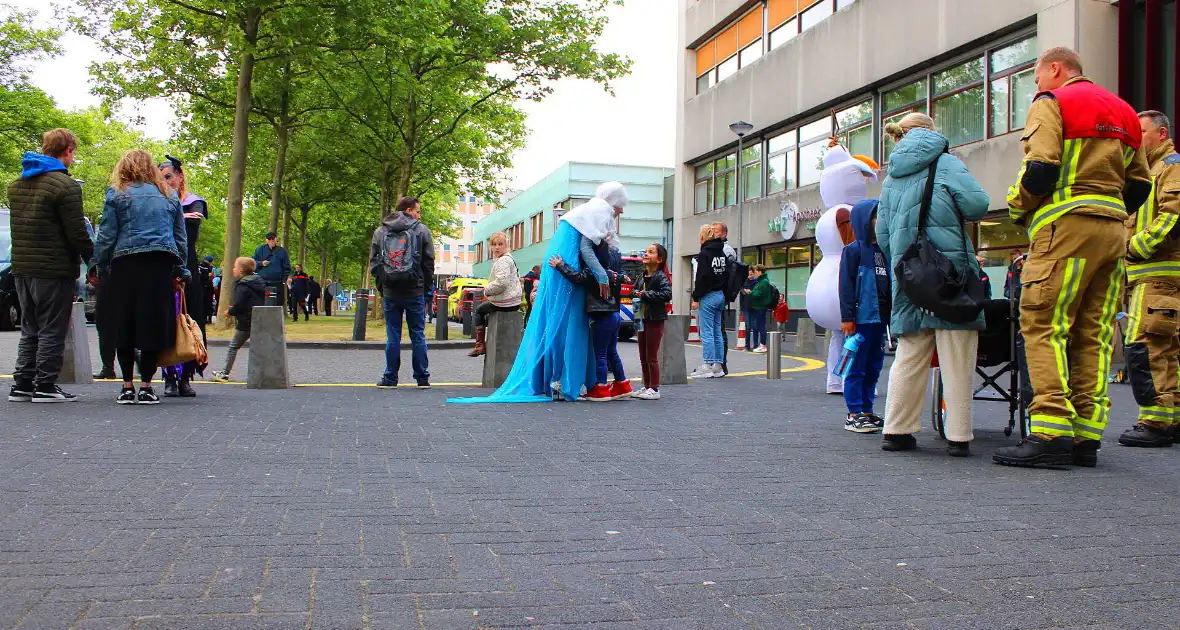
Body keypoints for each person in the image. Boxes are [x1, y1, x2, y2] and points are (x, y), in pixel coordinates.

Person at [994, 47, 1152, 468]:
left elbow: (1041, 168)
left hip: (1064, 229)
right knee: (1092, 331)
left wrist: (1018, 203)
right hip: (1113, 231)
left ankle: (1050, 432)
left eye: (1037, 76)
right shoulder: (1125, 113)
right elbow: (1140, 186)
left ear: (1056, 69)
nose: (1036, 86)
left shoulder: (1053, 103)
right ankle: (1085, 435)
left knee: (1044, 325)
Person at [448, 182, 629, 404]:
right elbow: (585, 247)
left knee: (557, 320)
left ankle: (557, 380)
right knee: (569, 323)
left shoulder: (587, 211)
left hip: (563, 260)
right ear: (614, 201)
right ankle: (567, 381)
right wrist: (601, 275)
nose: (620, 212)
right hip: (568, 261)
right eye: (619, 207)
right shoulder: (601, 209)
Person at [876, 112, 990, 457]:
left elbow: (882, 235)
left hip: (910, 277)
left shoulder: (891, 177)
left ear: (900, 137)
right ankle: (957, 436)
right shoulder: (947, 163)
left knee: (909, 355)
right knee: (957, 355)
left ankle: (897, 430)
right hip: (950, 275)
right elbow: (978, 205)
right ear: (932, 133)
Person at [93, 149, 188, 405]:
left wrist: (100, 265)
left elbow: (106, 235)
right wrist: (181, 269)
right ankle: (147, 385)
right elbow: (180, 238)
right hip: (159, 265)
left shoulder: (117, 194)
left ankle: (126, 386)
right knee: (152, 324)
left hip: (125, 265)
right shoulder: (169, 196)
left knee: (125, 323)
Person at [6, 128, 94, 403]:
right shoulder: (65, 186)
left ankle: (22, 383)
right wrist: (93, 263)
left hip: (21, 267)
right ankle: (45, 385)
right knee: (52, 329)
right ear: (68, 149)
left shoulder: (17, 184)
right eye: (73, 151)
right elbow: (77, 232)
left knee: (29, 327)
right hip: (53, 269)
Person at [1116, 110, 1180, 449]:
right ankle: (1172, 419)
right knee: (1166, 349)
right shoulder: (1150, 171)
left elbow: (1174, 216)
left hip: (1156, 273)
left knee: (1144, 345)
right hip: (1151, 275)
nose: (1135, 138)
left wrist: (1135, 248)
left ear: (1161, 132)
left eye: (1140, 131)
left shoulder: (1170, 167)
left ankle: (1155, 421)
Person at [550, 239, 631, 401]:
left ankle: (601, 388)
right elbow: (622, 279)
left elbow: (577, 278)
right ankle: (622, 384)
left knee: (600, 354)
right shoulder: (611, 273)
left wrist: (560, 265)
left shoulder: (593, 272)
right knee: (612, 352)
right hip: (615, 315)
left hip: (601, 316)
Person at [371, 196, 436, 389]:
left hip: (391, 291)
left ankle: (390, 378)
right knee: (417, 334)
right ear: (408, 210)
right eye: (418, 211)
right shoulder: (422, 231)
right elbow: (429, 263)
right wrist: (425, 287)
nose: (419, 215)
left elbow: (374, 264)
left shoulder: (381, 231)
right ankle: (422, 378)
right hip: (415, 290)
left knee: (393, 335)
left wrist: (383, 285)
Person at [839, 200, 891, 434]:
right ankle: (854, 413)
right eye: (876, 216)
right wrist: (847, 316)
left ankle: (867, 410)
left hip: (880, 320)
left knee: (874, 366)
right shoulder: (853, 250)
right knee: (855, 366)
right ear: (864, 220)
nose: (880, 220)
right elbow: (846, 286)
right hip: (860, 320)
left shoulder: (884, 251)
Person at [158, 155, 208, 398]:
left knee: (191, 319)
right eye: (161, 178)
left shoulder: (193, 202)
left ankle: (186, 375)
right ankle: (168, 376)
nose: (165, 182)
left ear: (179, 177)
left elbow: (195, 220)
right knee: (165, 320)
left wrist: (180, 215)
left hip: (187, 267)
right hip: (163, 267)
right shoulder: (156, 202)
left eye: (169, 177)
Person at [211, 257, 266, 383]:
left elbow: (240, 304)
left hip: (246, 321)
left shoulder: (243, 285)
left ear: (241, 270)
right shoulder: (258, 282)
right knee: (260, 347)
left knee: (233, 346)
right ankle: (264, 373)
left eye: (235, 267)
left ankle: (224, 373)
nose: (233, 269)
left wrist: (230, 312)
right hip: (258, 319)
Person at [468, 231, 521, 357]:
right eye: (494, 244)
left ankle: (480, 345)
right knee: (485, 315)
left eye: (500, 244)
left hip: (506, 301)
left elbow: (502, 283)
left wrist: (486, 289)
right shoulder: (508, 259)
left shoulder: (503, 261)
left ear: (506, 245)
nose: (497, 247)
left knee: (479, 311)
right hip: (513, 301)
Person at [632, 243, 672, 400]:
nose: (646, 254)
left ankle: (654, 389)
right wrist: (635, 293)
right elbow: (633, 291)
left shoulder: (661, 276)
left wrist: (645, 294)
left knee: (651, 356)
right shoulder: (642, 276)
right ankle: (647, 386)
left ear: (660, 259)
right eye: (646, 251)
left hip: (655, 318)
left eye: (651, 252)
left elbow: (666, 294)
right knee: (643, 355)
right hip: (641, 317)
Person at [691, 224, 729, 379]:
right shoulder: (721, 252)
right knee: (717, 331)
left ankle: (707, 365)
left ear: (702, 237)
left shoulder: (705, 253)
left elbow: (701, 278)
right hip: (720, 294)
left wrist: (696, 296)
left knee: (706, 331)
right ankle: (718, 366)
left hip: (708, 296)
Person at [253, 232, 292, 309]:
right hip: (263, 281)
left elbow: (287, 266)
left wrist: (284, 279)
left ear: (276, 239)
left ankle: (275, 319)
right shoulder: (259, 250)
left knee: (278, 302)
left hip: (277, 282)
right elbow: (253, 262)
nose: (271, 240)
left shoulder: (282, 251)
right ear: (266, 240)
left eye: (273, 238)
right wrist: (261, 263)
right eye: (269, 239)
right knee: (262, 302)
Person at [745, 265, 773, 353]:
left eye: (756, 271)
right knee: (760, 325)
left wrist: (750, 292)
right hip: (758, 307)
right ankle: (762, 344)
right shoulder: (762, 281)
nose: (755, 273)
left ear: (760, 271)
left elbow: (758, 293)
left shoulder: (763, 282)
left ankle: (763, 344)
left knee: (761, 326)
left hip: (760, 307)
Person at [738, 267, 756, 351]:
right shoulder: (744, 282)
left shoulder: (756, 282)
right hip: (746, 307)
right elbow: (740, 290)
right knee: (748, 327)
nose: (750, 276)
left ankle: (756, 345)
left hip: (755, 306)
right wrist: (744, 291)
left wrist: (751, 291)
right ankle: (747, 345)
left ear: (754, 274)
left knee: (755, 326)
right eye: (749, 274)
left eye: (751, 274)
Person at [199, 255, 216, 324]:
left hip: (207, 288)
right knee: (206, 304)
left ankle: (207, 318)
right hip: (205, 288)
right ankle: (206, 318)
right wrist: (208, 276)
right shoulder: (202, 266)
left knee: (207, 304)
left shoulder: (207, 267)